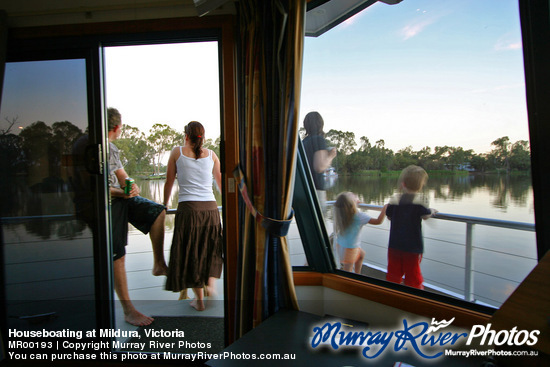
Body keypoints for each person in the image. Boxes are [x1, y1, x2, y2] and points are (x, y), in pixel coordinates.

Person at [107, 107, 168, 326]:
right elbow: (96, 188)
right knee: (117, 255)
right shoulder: (90, 147)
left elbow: (122, 177)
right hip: (106, 204)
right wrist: (120, 192)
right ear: (117, 127)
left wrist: (130, 188)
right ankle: (129, 311)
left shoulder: (111, 148)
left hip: (121, 199)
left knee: (158, 210)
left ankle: (159, 263)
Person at [163, 121, 223, 311]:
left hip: (189, 210)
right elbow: (221, 183)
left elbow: (169, 181)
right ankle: (211, 286)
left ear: (186, 135)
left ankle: (199, 300)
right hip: (211, 210)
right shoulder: (212, 155)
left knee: (192, 253)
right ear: (203, 137)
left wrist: (164, 205)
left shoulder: (177, 152)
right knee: (211, 248)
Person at [385, 165, 437, 289]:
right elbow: (425, 215)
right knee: (413, 276)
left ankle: (392, 296)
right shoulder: (419, 202)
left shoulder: (395, 199)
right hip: (412, 248)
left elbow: (389, 215)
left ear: (403, 184)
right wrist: (432, 211)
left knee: (393, 275)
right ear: (420, 185)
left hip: (395, 245)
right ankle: (416, 300)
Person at [333, 192, 387, 274]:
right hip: (350, 248)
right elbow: (378, 221)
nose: (355, 196)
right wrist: (384, 209)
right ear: (352, 204)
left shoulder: (342, 214)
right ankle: (348, 284)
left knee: (361, 255)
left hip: (342, 244)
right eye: (354, 197)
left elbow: (347, 203)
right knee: (348, 271)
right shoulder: (359, 216)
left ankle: (358, 274)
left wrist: (355, 201)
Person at [302, 111, 337, 211]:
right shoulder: (318, 139)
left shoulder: (304, 142)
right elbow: (319, 167)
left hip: (305, 191)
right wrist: (331, 155)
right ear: (321, 123)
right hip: (316, 192)